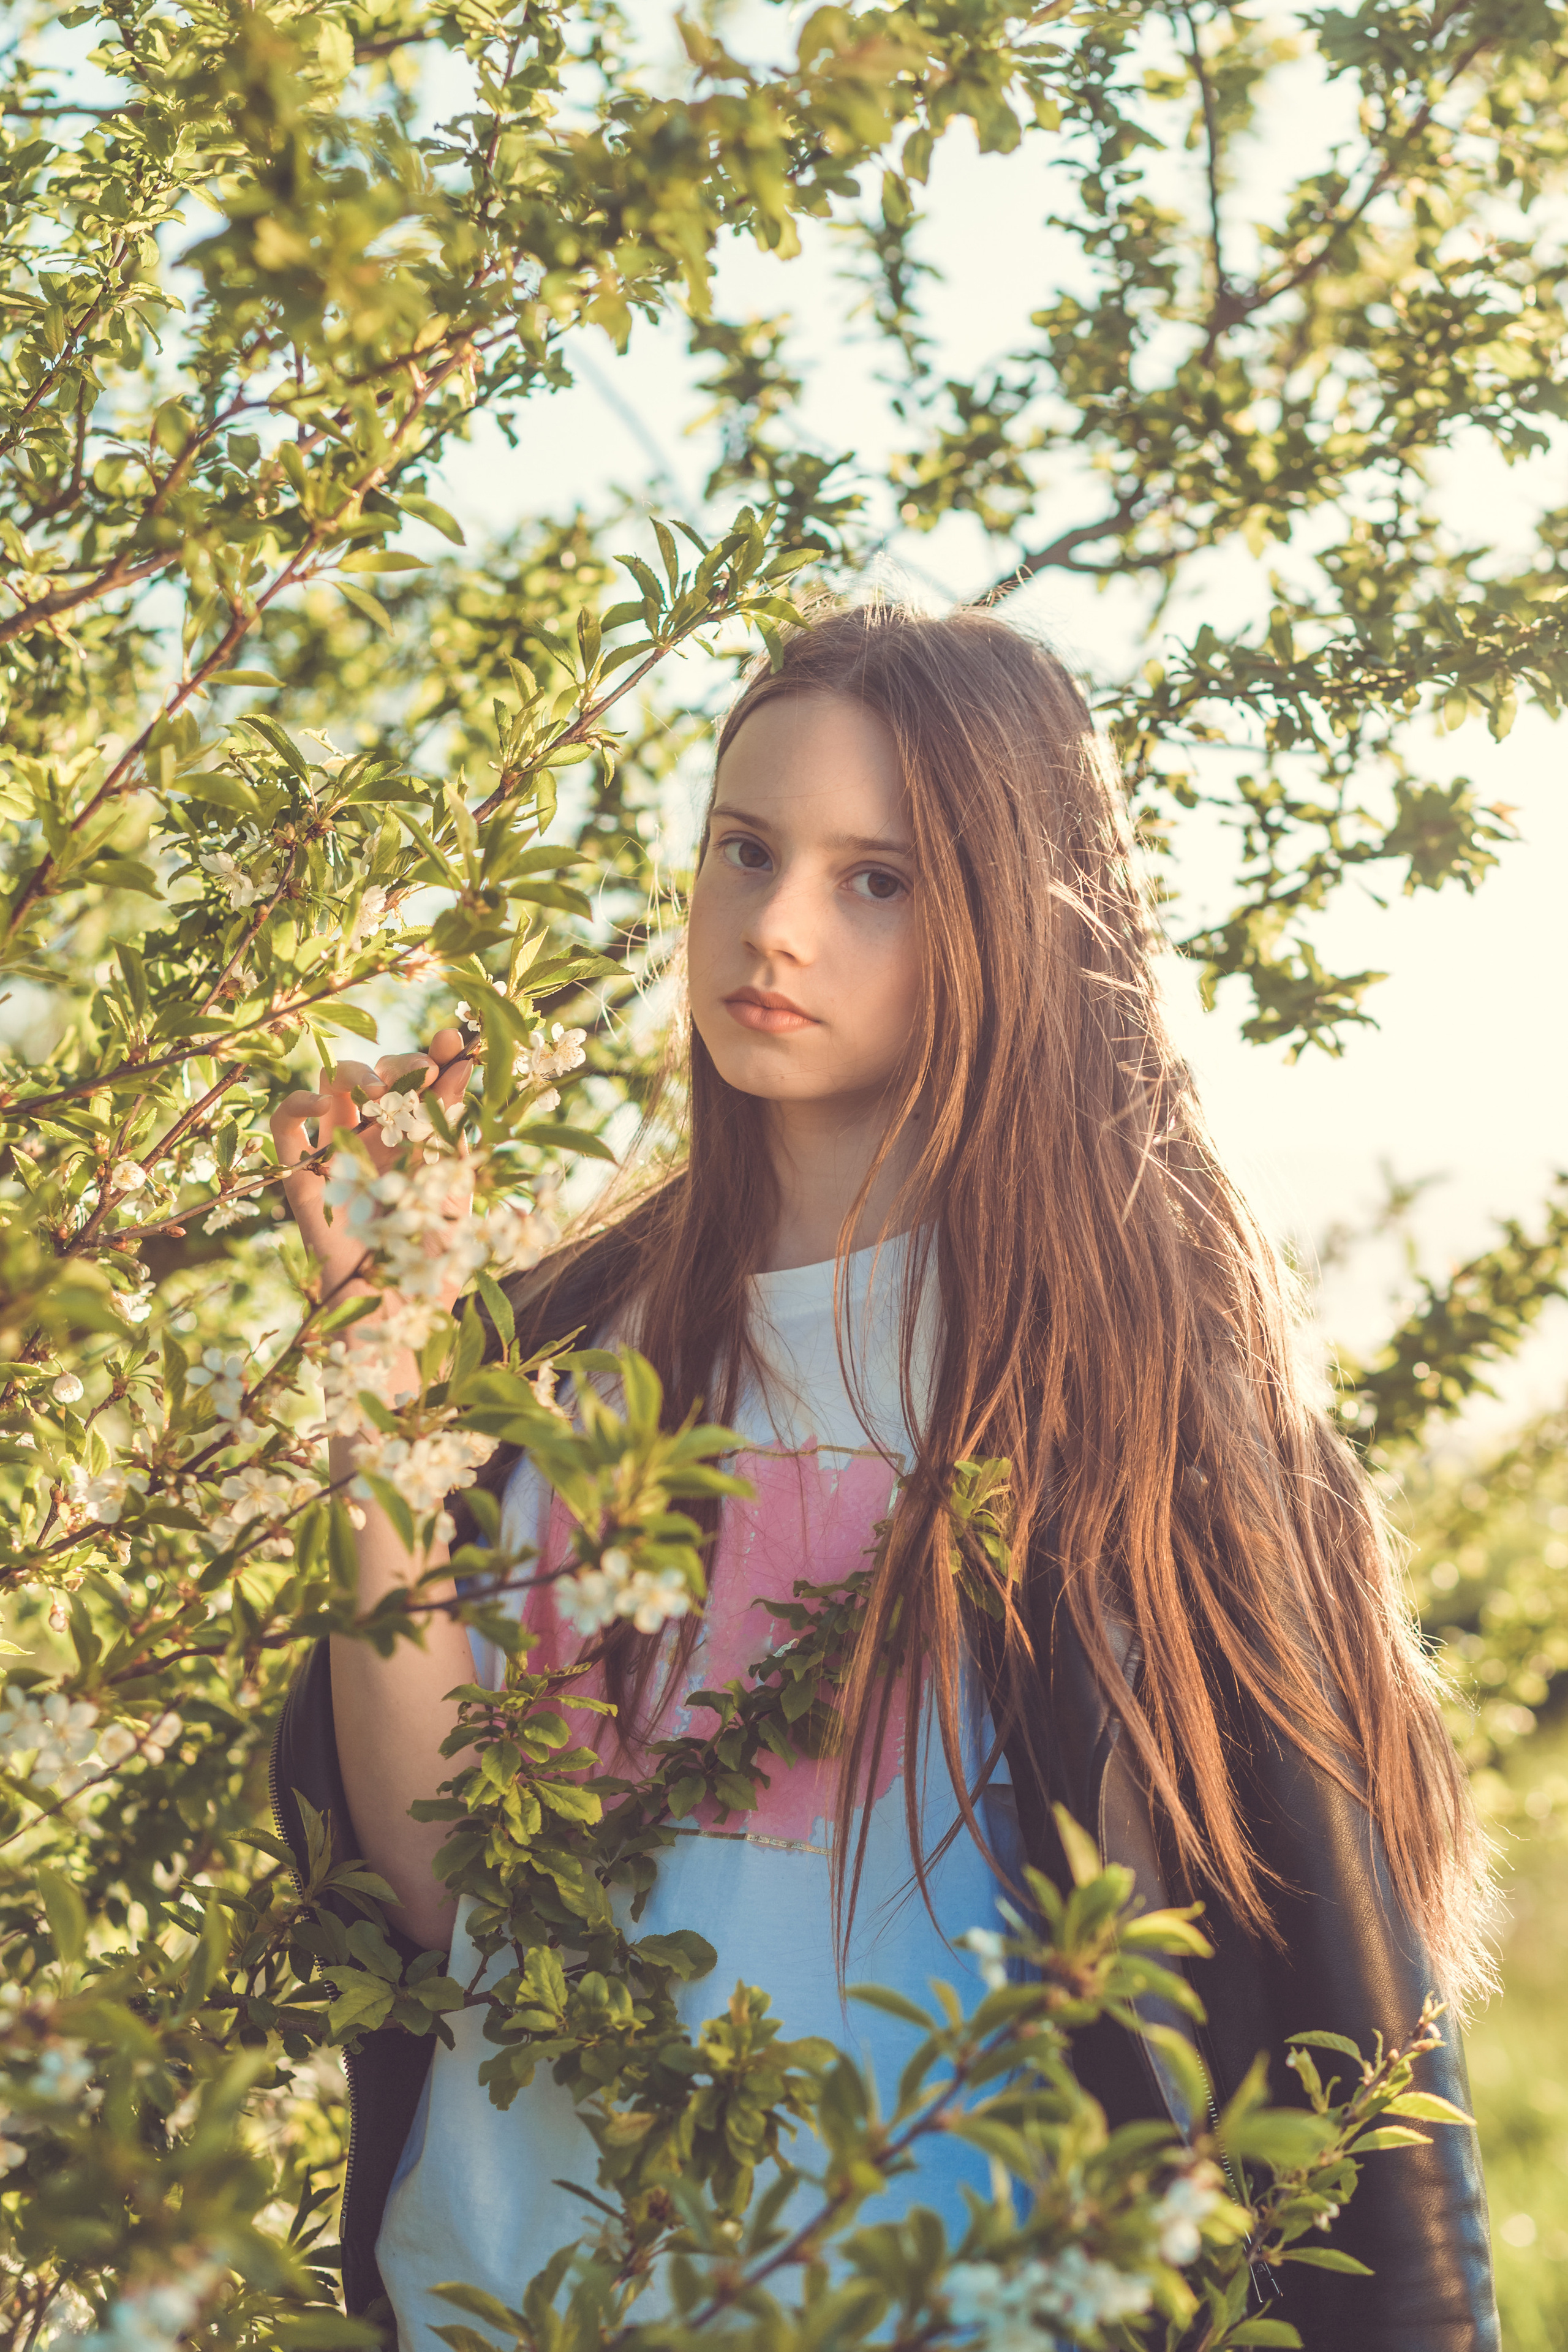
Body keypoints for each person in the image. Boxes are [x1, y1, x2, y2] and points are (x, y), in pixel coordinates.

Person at [272, 601, 1499, 2351]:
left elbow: (1347, 2042)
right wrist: (379, 1391)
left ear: (1006, 918)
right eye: (745, 850)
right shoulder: (558, 1352)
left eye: (879, 879)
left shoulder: (1123, 1403)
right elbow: (441, 1901)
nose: (774, 924)